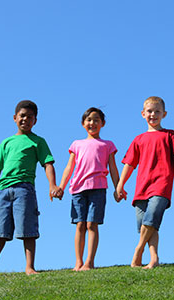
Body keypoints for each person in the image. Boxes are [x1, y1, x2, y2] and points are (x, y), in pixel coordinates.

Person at [0, 100, 60, 278]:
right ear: (14, 118)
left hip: (24, 189)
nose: (25, 119)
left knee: (28, 230)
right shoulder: (6, 143)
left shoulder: (38, 141)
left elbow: (47, 164)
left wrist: (52, 185)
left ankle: (29, 267)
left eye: (30, 117)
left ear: (35, 120)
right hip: (3, 191)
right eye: (22, 116)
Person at [115, 96, 174, 269]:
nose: (153, 114)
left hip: (161, 185)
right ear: (143, 114)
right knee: (147, 225)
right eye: (150, 111)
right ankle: (154, 259)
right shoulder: (138, 139)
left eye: (157, 111)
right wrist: (120, 184)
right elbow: (129, 164)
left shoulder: (170, 135)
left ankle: (138, 250)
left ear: (164, 114)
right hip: (141, 187)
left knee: (150, 220)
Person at [57, 107, 120, 271]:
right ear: (83, 123)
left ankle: (89, 262)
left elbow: (113, 168)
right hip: (78, 188)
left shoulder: (107, 145)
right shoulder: (76, 144)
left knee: (92, 224)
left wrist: (118, 188)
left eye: (96, 120)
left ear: (103, 124)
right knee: (80, 224)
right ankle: (78, 262)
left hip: (98, 188)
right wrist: (61, 187)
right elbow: (69, 167)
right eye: (89, 120)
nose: (92, 123)